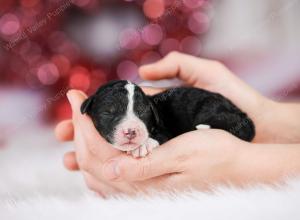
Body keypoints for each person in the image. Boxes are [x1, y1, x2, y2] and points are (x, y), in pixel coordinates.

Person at [55, 52, 300, 197]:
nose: (129, 127)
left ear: (150, 112)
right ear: (91, 107)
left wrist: (252, 165)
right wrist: (269, 118)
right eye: (110, 112)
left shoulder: (169, 113)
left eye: (140, 113)